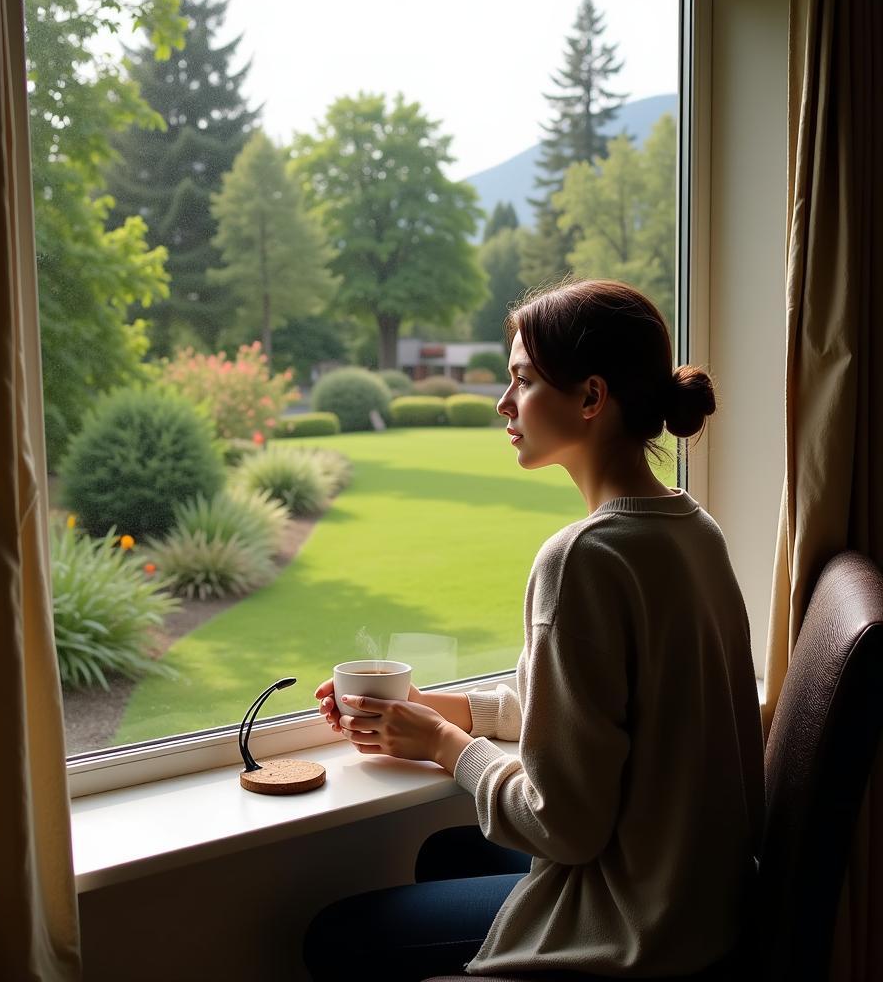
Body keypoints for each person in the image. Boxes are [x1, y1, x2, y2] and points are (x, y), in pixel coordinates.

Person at [303, 279, 765, 981]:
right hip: (707, 903)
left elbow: (563, 827)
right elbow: (603, 706)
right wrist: (444, 709)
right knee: (447, 854)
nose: (503, 403)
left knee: (336, 939)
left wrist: (443, 744)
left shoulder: (582, 557)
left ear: (590, 398)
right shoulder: (692, 530)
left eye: (522, 380)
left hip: (640, 929)